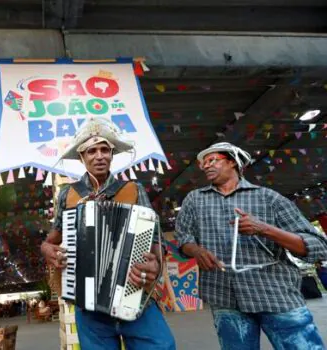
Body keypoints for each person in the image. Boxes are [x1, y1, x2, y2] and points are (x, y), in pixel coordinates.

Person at [175, 142, 327, 350]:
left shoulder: (269, 198)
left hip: (275, 295)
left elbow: (317, 246)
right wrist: (196, 250)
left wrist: (265, 229)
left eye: (213, 160)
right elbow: (183, 238)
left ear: (233, 162)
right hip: (223, 296)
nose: (206, 166)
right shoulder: (194, 200)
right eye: (203, 163)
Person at [41, 118, 175, 350]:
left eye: (105, 150)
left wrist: (156, 265)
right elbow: (52, 239)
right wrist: (46, 249)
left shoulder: (133, 189)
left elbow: (155, 240)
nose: (99, 156)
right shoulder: (68, 194)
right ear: (82, 157)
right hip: (87, 299)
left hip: (134, 290)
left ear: (112, 154)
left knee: (162, 346)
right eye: (91, 151)